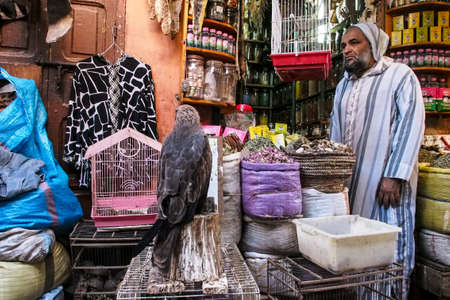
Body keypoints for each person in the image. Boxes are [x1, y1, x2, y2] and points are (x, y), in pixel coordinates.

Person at [330, 23, 424, 299]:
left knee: (388, 246)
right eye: (344, 45)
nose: (347, 49)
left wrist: (394, 176)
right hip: (353, 184)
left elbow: (411, 125)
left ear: (373, 46)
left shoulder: (399, 76)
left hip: (386, 184)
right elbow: (336, 136)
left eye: (354, 43)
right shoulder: (342, 87)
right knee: (357, 249)